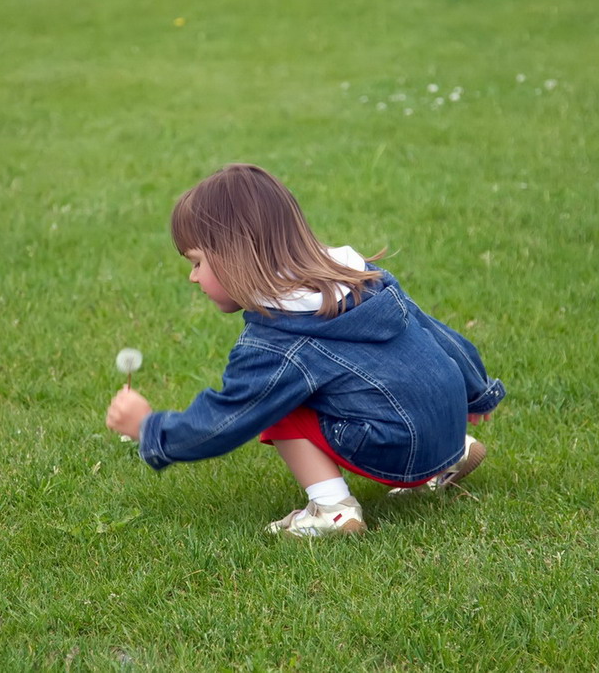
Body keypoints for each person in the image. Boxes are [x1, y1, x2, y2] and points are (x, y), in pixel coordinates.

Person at [105, 164, 505, 537]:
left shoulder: (278, 341)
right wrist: (476, 390)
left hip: (400, 444)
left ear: (233, 257)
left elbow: (227, 419)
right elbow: (431, 328)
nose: (193, 278)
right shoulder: (359, 275)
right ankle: (443, 461)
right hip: (449, 421)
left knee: (277, 403)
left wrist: (149, 429)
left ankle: (331, 510)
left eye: (196, 263)